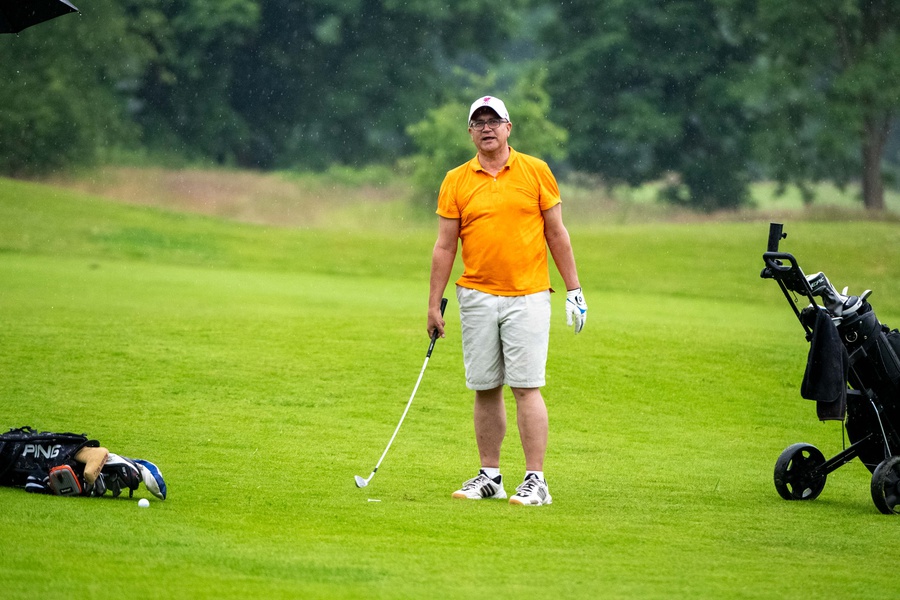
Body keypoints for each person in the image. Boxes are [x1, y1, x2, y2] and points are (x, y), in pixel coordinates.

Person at [427, 95, 587, 506]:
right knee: (485, 388)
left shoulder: (536, 171)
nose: (486, 128)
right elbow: (445, 246)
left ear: (508, 127)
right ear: (470, 132)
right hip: (476, 295)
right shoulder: (456, 180)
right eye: (478, 122)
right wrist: (433, 303)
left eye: (494, 121)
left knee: (526, 387)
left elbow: (556, 232)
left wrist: (574, 289)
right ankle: (490, 476)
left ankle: (536, 481)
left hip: (528, 295)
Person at [0, 426, 167, 501]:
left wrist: (87, 478)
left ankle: (136, 464)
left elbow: (99, 454)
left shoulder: (69, 451)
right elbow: (90, 472)